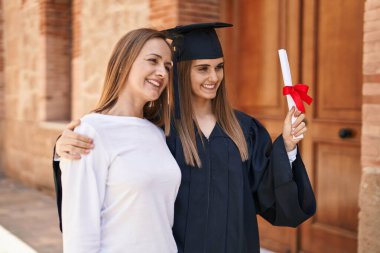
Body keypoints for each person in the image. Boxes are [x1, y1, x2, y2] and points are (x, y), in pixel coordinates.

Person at [53, 23, 316, 253]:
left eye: (219, 68)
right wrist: (60, 147)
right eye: (203, 69)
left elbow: (269, 193)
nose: (214, 77)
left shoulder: (243, 129)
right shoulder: (160, 130)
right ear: (183, 73)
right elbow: (92, 191)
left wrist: (288, 147)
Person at [57, 28, 181, 253]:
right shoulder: (90, 131)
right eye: (152, 61)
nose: (162, 72)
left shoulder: (157, 133)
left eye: (167, 66)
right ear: (124, 62)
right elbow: (79, 228)